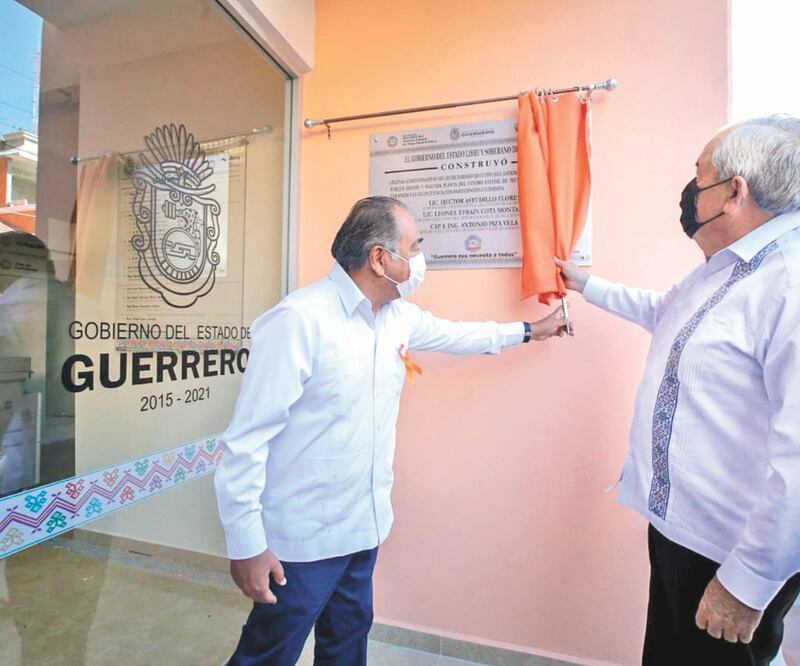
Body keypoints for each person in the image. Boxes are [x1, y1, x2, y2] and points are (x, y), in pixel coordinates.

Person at [214, 196, 570, 665]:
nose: (420, 258)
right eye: (414, 246)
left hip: (363, 528)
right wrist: (246, 545)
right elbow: (245, 442)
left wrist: (530, 330)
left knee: (346, 647)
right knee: (267, 655)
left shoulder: (398, 315)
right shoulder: (299, 321)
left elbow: (463, 335)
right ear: (381, 259)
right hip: (300, 541)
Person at [555, 115, 800, 666]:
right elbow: (664, 313)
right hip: (679, 531)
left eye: (699, 176)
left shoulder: (788, 282)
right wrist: (586, 284)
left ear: (734, 192)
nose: (690, 191)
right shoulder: (726, 269)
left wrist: (748, 583)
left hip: (729, 557)